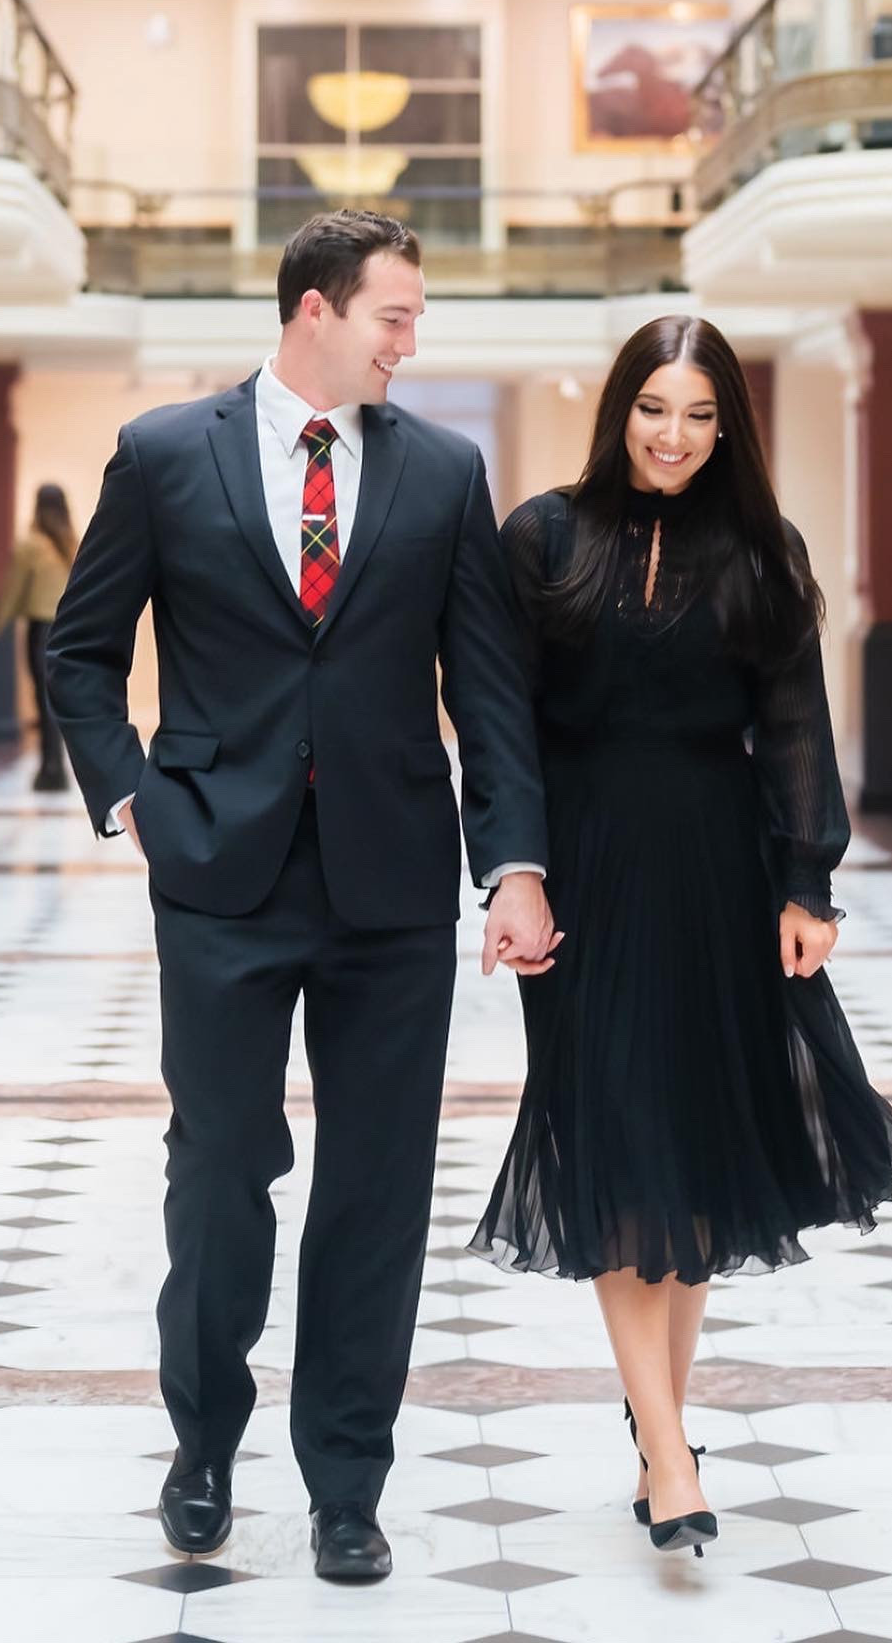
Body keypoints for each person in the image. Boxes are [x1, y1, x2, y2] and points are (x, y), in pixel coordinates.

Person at [45, 211, 557, 1579]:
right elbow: (81, 655)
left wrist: (514, 864)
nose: (411, 341)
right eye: (396, 316)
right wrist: (133, 795)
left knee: (377, 1187)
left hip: (390, 883)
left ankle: (346, 1482)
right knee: (221, 1166)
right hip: (218, 866)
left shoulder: (444, 474)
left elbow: (491, 696)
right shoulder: (165, 456)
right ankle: (202, 1443)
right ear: (316, 310)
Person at [468, 314, 892, 1558]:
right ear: (620, 407)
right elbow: (498, 717)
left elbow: (794, 722)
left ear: (728, 425)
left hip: (718, 871)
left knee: (691, 1142)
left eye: (700, 414)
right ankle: (669, 1452)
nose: (673, 436)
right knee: (613, 1134)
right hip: (585, 874)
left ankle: (658, 1430)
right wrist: (513, 872)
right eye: (654, 408)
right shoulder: (543, 537)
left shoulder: (759, 550)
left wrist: (806, 884)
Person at [0, 483, 76, 791]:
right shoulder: (71, 545)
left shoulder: (31, 545)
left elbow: (12, 592)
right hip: (70, 629)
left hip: (42, 629)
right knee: (59, 699)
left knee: (43, 698)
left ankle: (51, 768)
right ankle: (57, 766)